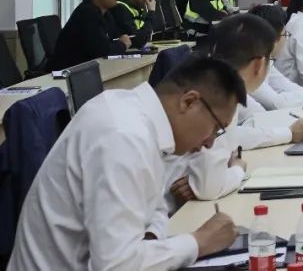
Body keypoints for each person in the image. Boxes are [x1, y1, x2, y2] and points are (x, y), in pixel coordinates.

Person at [9, 57, 243, 270]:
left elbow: (156, 207)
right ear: (189, 102)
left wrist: (151, 245)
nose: (210, 143)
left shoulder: (142, 119)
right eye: (216, 128)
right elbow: (116, 265)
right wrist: (199, 242)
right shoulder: (123, 136)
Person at [168, 15, 303, 205]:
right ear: (258, 65)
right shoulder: (218, 95)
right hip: (172, 207)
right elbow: (209, 187)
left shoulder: (213, 79)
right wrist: (238, 168)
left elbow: (237, 134)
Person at [248, 4, 303, 110]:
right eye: (285, 35)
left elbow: (287, 86)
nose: (286, 39)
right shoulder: (250, 66)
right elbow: (276, 103)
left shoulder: (266, 62)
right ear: (273, 38)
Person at [48, 0, 132, 70]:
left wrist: (121, 42)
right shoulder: (86, 14)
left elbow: (117, 36)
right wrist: (122, 44)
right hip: (68, 72)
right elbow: (101, 51)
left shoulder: (105, 13)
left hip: (87, 69)